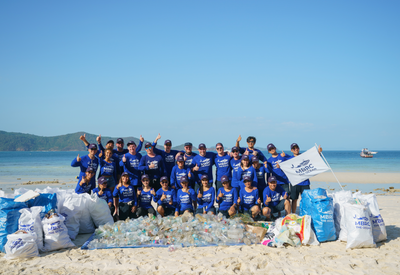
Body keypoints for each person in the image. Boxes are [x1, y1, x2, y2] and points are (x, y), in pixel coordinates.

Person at [277, 143, 322, 214]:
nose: (296, 149)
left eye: (297, 148)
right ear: (291, 150)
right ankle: (294, 214)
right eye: (294, 148)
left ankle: (306, 213)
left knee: (306, 199)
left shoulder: (303, 156)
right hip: (294, 182)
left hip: (305, 182)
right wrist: (280, 166)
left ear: (299, 148)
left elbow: (314, 159)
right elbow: (284, 168)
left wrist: (318, 152)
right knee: (294, 199)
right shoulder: (289, 159)